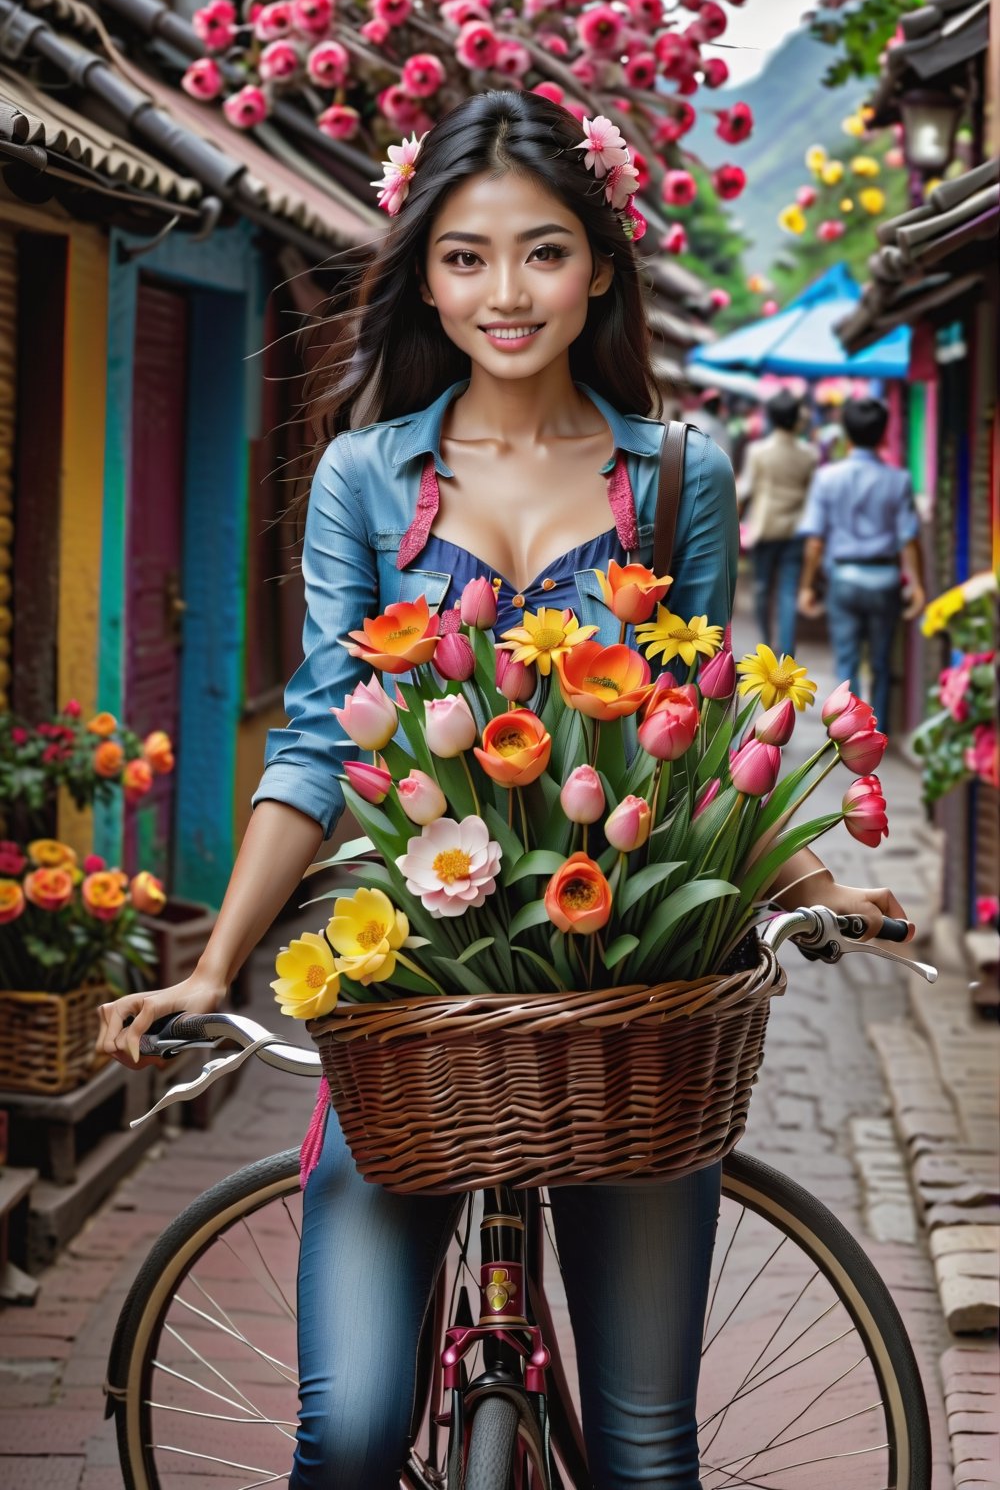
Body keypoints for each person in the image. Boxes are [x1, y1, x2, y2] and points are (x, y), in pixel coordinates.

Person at [97, 91, 914, 1490]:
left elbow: (698, 725)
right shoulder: (365, 474)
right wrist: (215, 967)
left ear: (599, 265)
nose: (506, 292)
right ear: (424, 271)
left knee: (647, 1456)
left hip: (636, 1005)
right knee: (346, 1434)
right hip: (415, 1000)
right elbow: (316, 748)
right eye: (466, 257)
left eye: (543, 252)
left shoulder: (678, 476)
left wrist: (816, 883)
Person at [797, 395, 926, 732]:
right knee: (881, 663)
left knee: (847, 661)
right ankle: (875, 733)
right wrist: (917, 585)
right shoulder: (898, 480)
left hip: (843, 578)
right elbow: (907, 539)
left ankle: (848, 733)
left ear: (846, 436)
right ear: (884, 435)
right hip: (885, 579)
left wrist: (807, 586)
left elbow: (814, 541)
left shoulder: (827, 477)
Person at [739, 388, 818, 657]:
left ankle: (765, 641)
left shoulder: (758, 451)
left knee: (762, 588)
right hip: (797, 528)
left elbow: (746, 489)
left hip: (764, 527)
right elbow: (811, 493)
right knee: (788, 591)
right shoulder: (810, 454)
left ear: (770, 418)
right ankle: (787, 653)